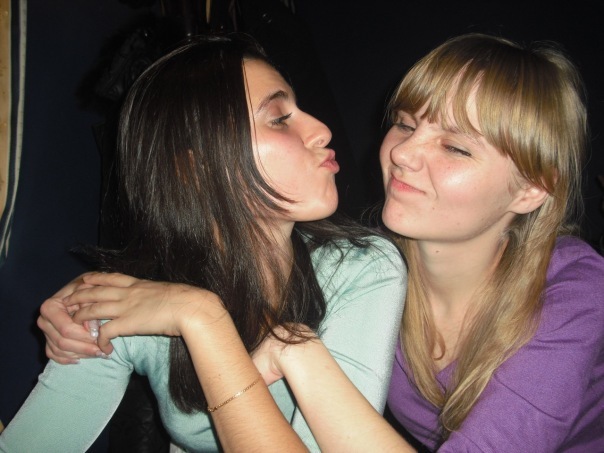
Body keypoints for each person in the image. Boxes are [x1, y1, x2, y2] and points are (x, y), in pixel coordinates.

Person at [17, 32, 604, 452]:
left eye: (454, 147)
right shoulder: (378, 264)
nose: (402, 152)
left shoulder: (575, 293)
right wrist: (88, 302)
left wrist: (204, 318)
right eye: (405, 123)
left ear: (531, 189)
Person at [0, 33, 407, 452]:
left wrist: (200, 318)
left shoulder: (361, 269)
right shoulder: (140, 300)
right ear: (194, 169)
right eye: (279, 118)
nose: (321, 130)